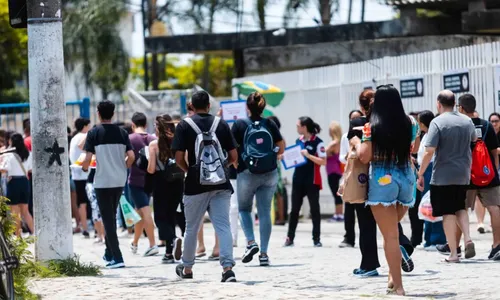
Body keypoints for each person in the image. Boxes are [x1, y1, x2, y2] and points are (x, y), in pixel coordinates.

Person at [350, 85, 416, 296]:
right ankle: (391, 277)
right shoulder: (410, 123)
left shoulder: (372, 126)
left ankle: (398, 286)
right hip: (406, 178)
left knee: (390, 236)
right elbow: (411, 149)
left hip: (383, 179)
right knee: (393, 232)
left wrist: (359, 143)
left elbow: (364, 156)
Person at [172, 91, 238, 282]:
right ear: (209, 106)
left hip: (195, 185)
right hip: (221, 184)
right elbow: (234, 157)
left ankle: (187, 268)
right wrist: (219, 168)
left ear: (191, 105)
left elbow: (178, 158)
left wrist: (191, 170)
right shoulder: (222, 123)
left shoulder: (185, 125)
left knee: (191, 227)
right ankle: (227, 268)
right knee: (223, 225)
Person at [417, 90, 477, 263]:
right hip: (463, 172)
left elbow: (429, 152)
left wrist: (420, 174)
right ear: (455, 103)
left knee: (447, 213)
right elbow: (474, 141)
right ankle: (467, 238)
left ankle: (453, 253)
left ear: (438, 104)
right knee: (460, 208)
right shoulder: (467, 121)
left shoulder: (437, 122)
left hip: (443, 175)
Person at [231, 92, 285, 266]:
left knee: (244, 209)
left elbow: (231, 149)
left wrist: (237, 163)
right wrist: (272, 156)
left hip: (247, 171)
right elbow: (281, 145)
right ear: (263, 107)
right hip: (269, 172)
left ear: (247, 107)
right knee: (264, 212)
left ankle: (250, 242)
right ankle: (263, 254)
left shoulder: (239, 124)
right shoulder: (269, 123)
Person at [82, 100, 135, 269]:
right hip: (119, 179)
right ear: (113, 113)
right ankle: (109, 253)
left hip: (102, 181)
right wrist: (122, 168)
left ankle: (118, 258)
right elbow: (132, 156)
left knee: (108, 220)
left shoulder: (94, 133)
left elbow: (88, 160)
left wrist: (83, 168)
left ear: (98, 113)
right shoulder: (122, 132)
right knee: (111, 216)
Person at [457, 94, 500, 260]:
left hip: (465, 175)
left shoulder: (459, 126)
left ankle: (458, 246)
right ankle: (497, 245)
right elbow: (494, 152)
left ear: (461, 108)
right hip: (487, 173)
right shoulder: (487, 125)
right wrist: (494, 171)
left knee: (461, 209)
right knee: (494, 208)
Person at [146, 114, 185, 263]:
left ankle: (173, 240)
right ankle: (169, 252)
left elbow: (150, 169)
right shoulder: (178, 141)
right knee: (171, 215)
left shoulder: (154, 145)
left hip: (161, 182)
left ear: (158, 127)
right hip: (177, 181)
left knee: (160, 218)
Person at [285, 116, 327, 247]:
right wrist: (285, 157)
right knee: (294, 210)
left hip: (312, 180)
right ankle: (289, 237)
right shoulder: (298, 141)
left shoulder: (318, 142)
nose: (297, 128)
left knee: (314, 209)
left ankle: (316, 238)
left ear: (304, 127)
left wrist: (308, 155)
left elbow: (323, 161)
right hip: (298, 179)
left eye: (298, 126)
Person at [128, 112, 159, 257]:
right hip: (150, 180)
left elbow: (127, 157)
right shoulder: (153, 138)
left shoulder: (130, 138)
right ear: (146, 124)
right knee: (139, 213)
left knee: (145, 212)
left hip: (135, 180)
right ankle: (135, 243)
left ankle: (153, 244)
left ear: (133, 125)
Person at [416, 110, 446, 250]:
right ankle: (427, 238)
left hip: (431, 169)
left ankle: (437, 239)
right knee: (426, 204)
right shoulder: (425, 135)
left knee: (434, 203)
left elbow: (429, 154)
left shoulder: (433, 135)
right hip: (425, 169)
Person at [0, 133, 34, 236]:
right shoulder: (28, 153)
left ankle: (18, 236)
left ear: (12, 141)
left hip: (13, 182)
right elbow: (31, 169)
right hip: (25, 181)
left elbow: (4, 170)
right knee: (25, 210)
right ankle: (34, 232)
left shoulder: (9, 155)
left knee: (14, 211)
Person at [338, 109, 363, 248]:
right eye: (352, 119)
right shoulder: (346, 137)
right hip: (350, 173)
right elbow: (341, 157)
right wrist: (348, 156)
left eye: (358, 118)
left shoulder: (366, 135)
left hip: (363, 173)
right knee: (348, 206)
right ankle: (349, 237)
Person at [69, 118, 92, 238]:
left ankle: (85, 227)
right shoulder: (85, 136)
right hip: (86, 173)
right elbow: (85, 148)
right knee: (92, 200)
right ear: (85, 126)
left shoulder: (73, 138)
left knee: (81, 202)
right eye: (89, 126)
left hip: (76, 175)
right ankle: (95, 226)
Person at [267, 115, 287, 225]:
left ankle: (280, 217)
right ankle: (278, 216)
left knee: (277, 191)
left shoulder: (272, 135)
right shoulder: (278, 135)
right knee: (277, 191)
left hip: (272, 165)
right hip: (275, 164)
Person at [326, 121, 344, 222]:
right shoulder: (339, 142)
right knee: (336, 192)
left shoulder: (334, 143)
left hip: (332, 171)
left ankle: (339, 214)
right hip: (336, 171)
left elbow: (323, 153)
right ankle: (338, 213)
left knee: (335, 193)